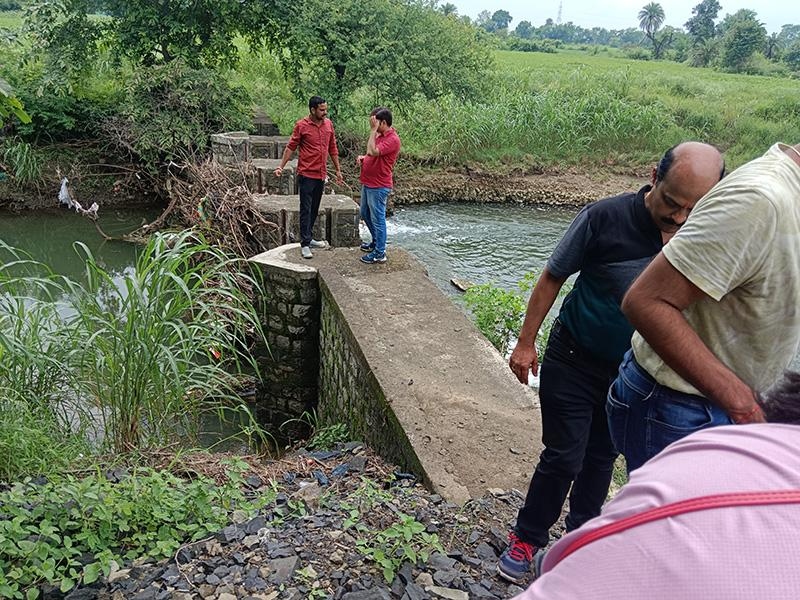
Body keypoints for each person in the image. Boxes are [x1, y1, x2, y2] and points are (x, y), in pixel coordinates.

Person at [497, 142, 725, 584]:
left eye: (692, 208)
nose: (679, 217)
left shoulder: (702, 233)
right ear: (654, 177)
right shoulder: (604, 218)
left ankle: (580, 542)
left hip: (631, 373)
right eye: (672, 203)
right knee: (564, 456)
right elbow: (553, 276)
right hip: (573, 357)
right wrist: (525, 343)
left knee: (602, 458)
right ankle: (527, 537)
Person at [514, 371, 800, 600]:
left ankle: (572, 554)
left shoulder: (704, 454)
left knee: (602, 465)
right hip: (621, 379)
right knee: (567, 460)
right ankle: (547, 544)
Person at [607, 142, 800, 473]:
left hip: (718, 407)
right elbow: (646, 301)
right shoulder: (758, 200)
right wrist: (744, 407)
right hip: (684, 410)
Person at [274, 96, 344, 259]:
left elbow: (332, 148)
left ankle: (309, 238)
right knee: (305, 209)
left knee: (314, 208)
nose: (325, 113)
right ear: (313, 110)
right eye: (322, 110)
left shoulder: (328, 125)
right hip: (306, 174)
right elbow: (291, 147)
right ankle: (305, 243)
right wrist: (281, 166)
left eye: (326, 109)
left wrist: (338, 170)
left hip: (321, 174)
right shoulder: (302, 125)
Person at [357, 107, 401, 264]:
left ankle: (380, 253)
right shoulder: (380, 135)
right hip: (368, 182)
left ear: (383, 122)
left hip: (379, 185)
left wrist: (372, 131)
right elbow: (370, 153)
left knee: (378, 219)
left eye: (375, 122)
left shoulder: (392, 139)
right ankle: (376, 242)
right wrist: (364, 158)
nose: (372, 124)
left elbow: (373, 151)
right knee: (365, 213)